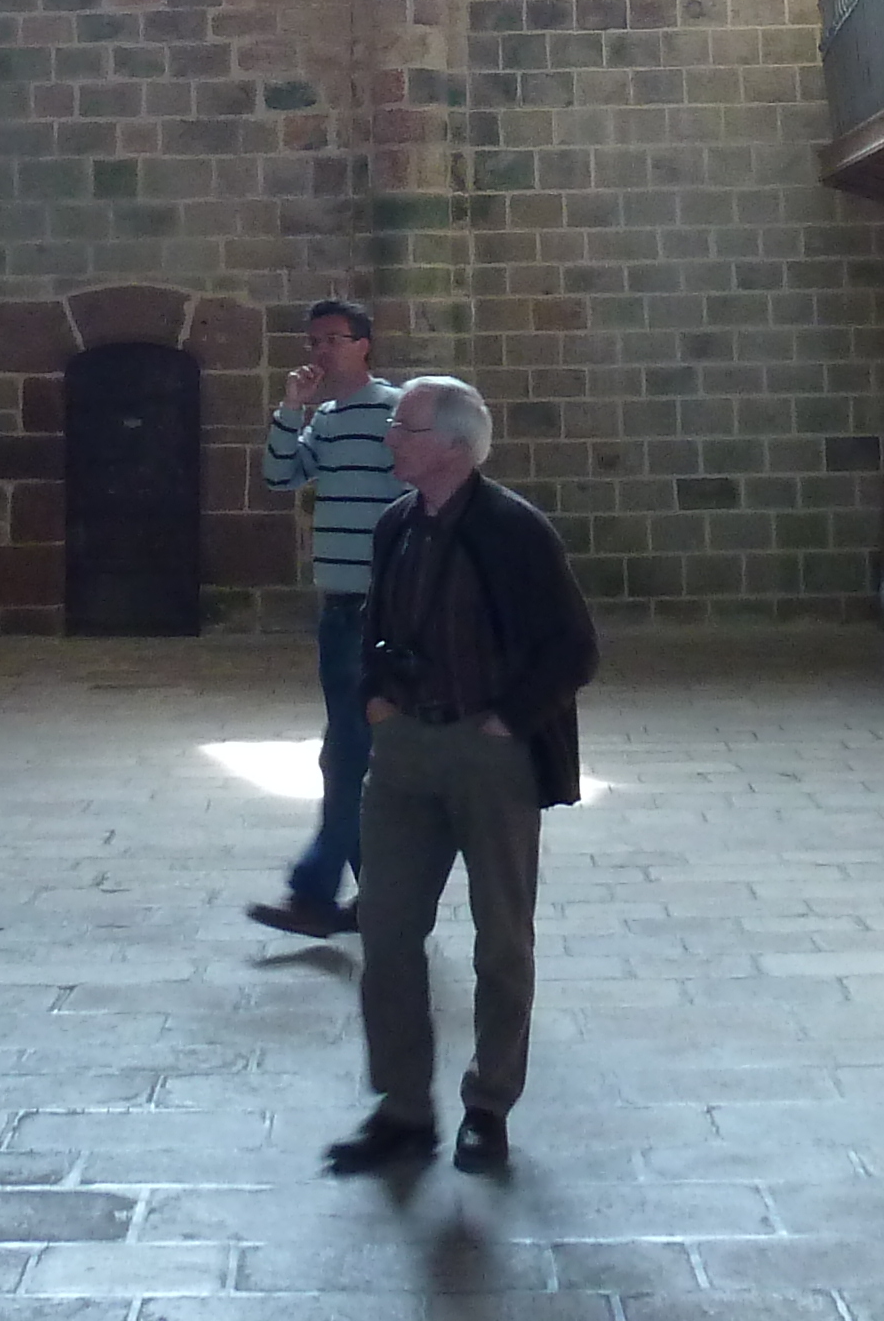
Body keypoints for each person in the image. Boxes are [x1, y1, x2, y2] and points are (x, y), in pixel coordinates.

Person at [330, 376, 598, 1180]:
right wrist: (375, 700)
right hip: (406, 750)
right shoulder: (395, 527)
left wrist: (507, 719)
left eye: (403, 427)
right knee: (386, 928)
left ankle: (489, 1103)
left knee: (502, 940)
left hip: (490, 756)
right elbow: (376, 626)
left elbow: (574, 648)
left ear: (451, 444)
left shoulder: (514, 531)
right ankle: (403, 1107)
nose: (390, 438)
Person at [247, 297, 404, 939]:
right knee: (350, 754)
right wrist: (291, 408)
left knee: (347, 754)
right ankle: (386, 903)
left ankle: (315, 891)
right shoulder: (330, 419)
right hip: (338, 608)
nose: (319, 352)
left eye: (333, 340)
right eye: (313, 342)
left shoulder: (399, 411)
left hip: (381, 610)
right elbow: (279, 475)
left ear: (364, 345)